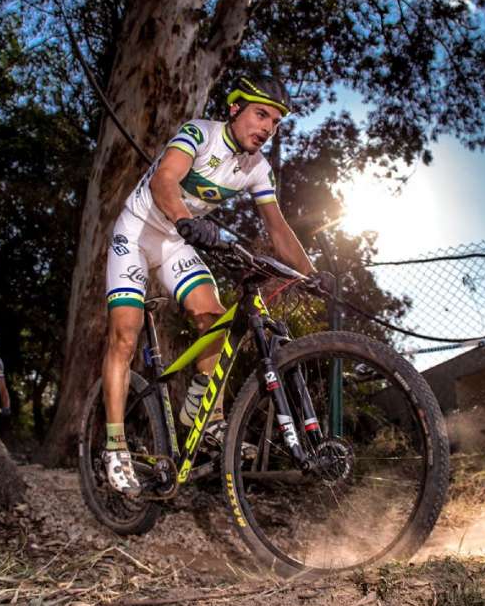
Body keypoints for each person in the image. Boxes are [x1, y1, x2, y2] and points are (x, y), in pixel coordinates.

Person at [102, 76, 326, 496]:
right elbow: (164, 180)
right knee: (124, 337)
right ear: (235, 109)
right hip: (136, 233)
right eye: (261, 114)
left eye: (275, 122)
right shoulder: (199, 133)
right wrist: (187, 220)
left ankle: (207, 421)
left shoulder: (258, 167)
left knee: (214, 316)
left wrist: (310, 275)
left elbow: (277, 227)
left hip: (174, 242)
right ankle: (114, 447)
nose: (266, 127)